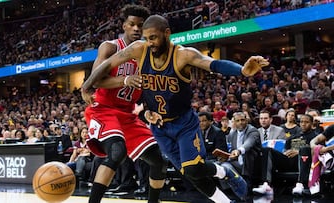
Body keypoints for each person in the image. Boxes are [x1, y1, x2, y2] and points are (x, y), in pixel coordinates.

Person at [82, 14, 269, 203]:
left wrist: (242, 71)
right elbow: (106, 65)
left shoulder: (183, 54)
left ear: (167, 33)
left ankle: (224, 170)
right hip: (160, 127)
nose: (150, 43)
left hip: (183, 123)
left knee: (193, 169)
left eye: (153, 37)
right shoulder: (140, 49)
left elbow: (213, 64)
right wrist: (86, 86)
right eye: (146, 38)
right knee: (191, 174)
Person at [81, 6, 167, 203]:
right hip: (103, 110)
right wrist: (125, 80)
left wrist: (150, 110)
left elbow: (146, 90)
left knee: (158, 161)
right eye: (132, 24)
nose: (136, 29)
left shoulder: (149, 55)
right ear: (124, 26)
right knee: (117, 152)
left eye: (140, 26)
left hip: (128, 115)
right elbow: (96, 81)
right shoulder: (111, 47)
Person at [253, 114, 317, 196]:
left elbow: (319, 151)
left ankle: (300, 184)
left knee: (304, 149)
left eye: (306, 122)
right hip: (289, 161)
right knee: (266, 150)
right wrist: (286, 152)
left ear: (312, 124)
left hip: (305, 162)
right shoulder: (293, 137)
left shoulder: (316, 136)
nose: (303, 124)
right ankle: (266, 184)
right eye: (301, 122)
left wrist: (298, 152)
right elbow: (285, 149)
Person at [224, 112, 262, 190]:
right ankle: (228, 189)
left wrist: (239, 151)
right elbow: (230, 149)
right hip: (238, 163)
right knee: (223, 163)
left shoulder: (253, 131)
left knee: (248, 153)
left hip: (254, 163)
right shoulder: (232, 134)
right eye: (237, 121)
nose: (240, 122)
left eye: (242, 120)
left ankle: (246, 183)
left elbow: (249, 143)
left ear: (246, 121)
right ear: (234, 122)